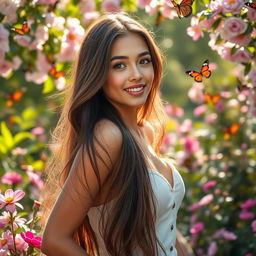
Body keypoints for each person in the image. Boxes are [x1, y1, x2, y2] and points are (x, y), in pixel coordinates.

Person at [40, 12, 186, 256]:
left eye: (143, 61)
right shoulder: (108, 136)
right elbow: (54, 239)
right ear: (98, 75)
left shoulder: (145, 132)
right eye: (119, 65)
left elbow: (162, 228)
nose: (136, 74)